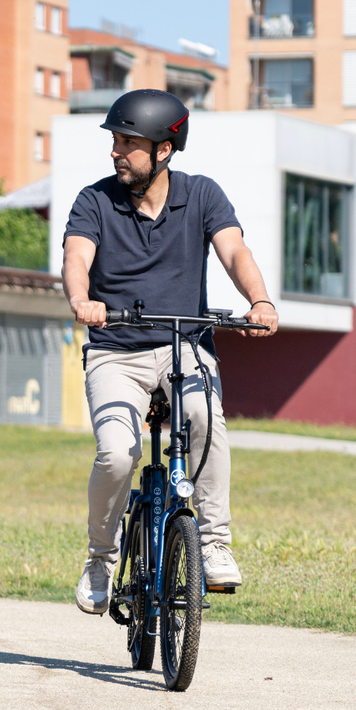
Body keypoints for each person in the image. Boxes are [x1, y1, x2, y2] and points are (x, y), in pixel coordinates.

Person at [62, 90, 279, 615]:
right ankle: (100, 557)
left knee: (205, 417)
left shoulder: (201, 195)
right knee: (117, 453)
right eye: (115, 140)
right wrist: (82, 299)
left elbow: (233, 250)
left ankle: (214, 542)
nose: (116, 152)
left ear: (164, 149)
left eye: (128, 143)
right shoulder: (95, 200)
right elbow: (76, 256)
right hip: (116, 351)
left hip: (185, 346)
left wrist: (260, 301)